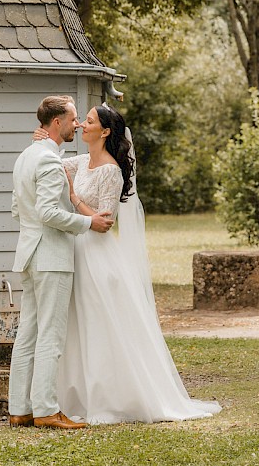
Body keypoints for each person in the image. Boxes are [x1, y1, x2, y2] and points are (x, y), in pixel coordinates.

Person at [37, 104, 222, 425]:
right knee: (77, 324)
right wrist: (44, 140)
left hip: (97, 254)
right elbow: (54, 165)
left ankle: (112, 396)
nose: (81, 125)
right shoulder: (82, 161)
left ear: (105, 132)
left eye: (89, 121)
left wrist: (74, 199)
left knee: (100, 322)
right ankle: (73, 395)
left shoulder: (110, 170)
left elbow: (104, 221)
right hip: (75, 249)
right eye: (82, 121)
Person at [7, 95, 115, 431]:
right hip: (50, 258)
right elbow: (49, 213)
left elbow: (17, 210)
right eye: (72, 119)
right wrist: (88, 223)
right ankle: (46, 411)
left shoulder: (27, 157)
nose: (77, 124)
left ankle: (19, 409)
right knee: (50, 336)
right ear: (57, 123)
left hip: (27, 252)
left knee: (28, 334)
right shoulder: (50, 162)